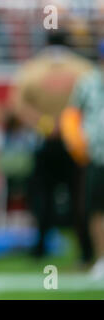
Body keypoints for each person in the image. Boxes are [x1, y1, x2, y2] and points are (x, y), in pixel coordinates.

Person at [10, 29, 94, 263]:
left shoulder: (32, 69)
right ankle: (86, 251)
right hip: (77, 143)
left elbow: (16, 105)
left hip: (45, 141)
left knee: (41, 196)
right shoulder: (84, 69)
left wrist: (45, 124)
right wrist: (72, 126)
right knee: (80, 197)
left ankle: (40, 248)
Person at [61, 39, 104, 279]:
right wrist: (77, 145)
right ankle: (101, 257)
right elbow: (72, 115)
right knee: (96, 209)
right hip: (97, 155)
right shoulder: (88, 83)